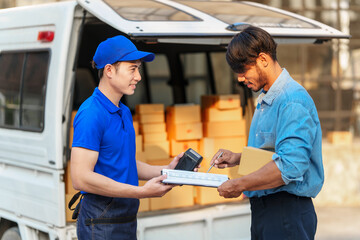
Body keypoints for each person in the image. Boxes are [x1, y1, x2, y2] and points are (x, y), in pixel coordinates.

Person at [210, 26, 323, 240]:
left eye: (243, 71)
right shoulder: (267, 97)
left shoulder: (292, 100)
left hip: (286, 212)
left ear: (263, 59)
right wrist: (237, 159)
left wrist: (239, 184)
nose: (241, 79)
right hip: (266, 209)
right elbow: (274, 154)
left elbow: (289, 166)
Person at [70, 35, 183, 239]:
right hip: (101, 221)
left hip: (125, 217)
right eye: (132, 68)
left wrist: (167, 170)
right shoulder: (91, 114)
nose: (138, 76)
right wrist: (141, 192)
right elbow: (80, 178)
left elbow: (124, 163)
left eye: (138, 68)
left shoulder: (123, 111)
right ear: (109, 70)